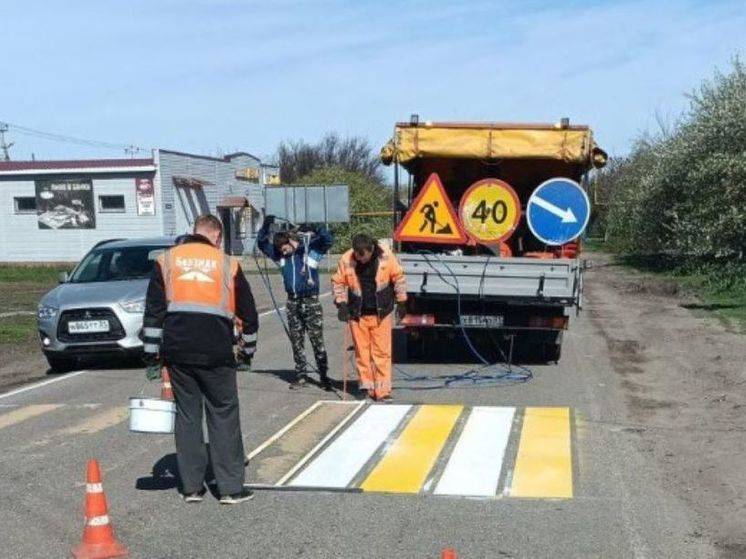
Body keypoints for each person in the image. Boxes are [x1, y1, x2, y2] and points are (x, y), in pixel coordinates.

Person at [142, 214, 257, 505]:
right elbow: (248, 313)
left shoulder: (166, 260)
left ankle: (191, 487)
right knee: (223, 415)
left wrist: (151, 356)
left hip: (178, 352)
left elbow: (154, 312)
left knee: (188, 416)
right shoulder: (228, 263)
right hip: (217, 352)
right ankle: (230, 489)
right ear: (216, 236)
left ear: (194, 232)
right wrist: (247, 352)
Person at [256, 216, 333, 390]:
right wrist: (266, 225)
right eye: (280, 251)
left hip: (311, 301)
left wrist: (315, 225)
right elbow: (262, 244)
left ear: (291, 242)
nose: (283, 252)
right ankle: (301, 376)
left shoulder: (310, 251)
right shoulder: (280, 256)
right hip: (293, 303)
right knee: (296, 341)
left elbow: (328, 239)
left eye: (284, 248)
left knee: (317, 341)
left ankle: (323, 376)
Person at [332, 233, 407, 401]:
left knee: (382, 354)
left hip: (381, 313)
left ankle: (383, 391)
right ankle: (366, 388)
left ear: (371, 250)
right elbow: (338, 282)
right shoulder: (346, 259)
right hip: (357, 315)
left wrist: (402, 302)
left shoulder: (386, 256)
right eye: (358, 257)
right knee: (362, 354)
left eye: (364, 257)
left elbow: (398, 278)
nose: (361, 261)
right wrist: (341, 303)